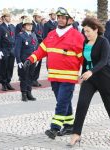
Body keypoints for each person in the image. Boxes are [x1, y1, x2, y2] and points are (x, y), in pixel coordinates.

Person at [23, 7, 84, 139]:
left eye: (63, 17)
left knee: (61, 102)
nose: (60, 20)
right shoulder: (51, 34)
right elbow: (41, 50)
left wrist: (89, 73)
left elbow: (83, 57)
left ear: (70, 20)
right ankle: (69, 126)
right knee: (63, 100)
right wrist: (30, 59)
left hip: (69, 77)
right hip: (54, 76)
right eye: (59, 17)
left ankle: (54, 128)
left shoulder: (77, 36)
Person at [67, 17, 110, 147]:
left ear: (96, 29)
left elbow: (103, 61)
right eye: (84, 31)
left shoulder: (104, 42)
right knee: (82, 104)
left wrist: (91, 71)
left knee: (109, 106)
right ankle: (76, 134)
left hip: (104, 78)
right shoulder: (86, 42)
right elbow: (85, 61)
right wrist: (82, 75)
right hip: (89, 79)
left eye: (88, 31)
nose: (86, 34)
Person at [15, 17, 38, 101]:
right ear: (24, 26)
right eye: (28, 25)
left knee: (31, 77)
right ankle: (23, 94)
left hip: (32, 60)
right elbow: (17, 49)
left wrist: (37, 58)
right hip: (24, 60)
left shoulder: (33, 35)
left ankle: (29, 92)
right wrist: (18, 61)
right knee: (24, 77)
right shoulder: (20, 36)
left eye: (31, 25)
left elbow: (36, 48)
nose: (30, 26)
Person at [0, 8, 15, 91]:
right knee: (3, 67)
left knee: (10, 67)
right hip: (4, 50)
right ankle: (3, 83)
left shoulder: (12, 26)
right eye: (8, 16)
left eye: (10, 16)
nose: (9, 17)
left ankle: (8, 82)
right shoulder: (0, 27)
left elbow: (14, 37)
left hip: (12, 50)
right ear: (3, 17)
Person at [32, 9, 44, 87]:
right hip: (34, 47)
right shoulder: (31, 25)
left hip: (40, 47)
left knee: (39, 65)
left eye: (40, 17)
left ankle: (35, 79)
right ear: (35, 17)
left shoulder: (40, 25)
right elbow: (36, 36)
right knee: (33, 64)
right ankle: (31, 79)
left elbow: (42, 34)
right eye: (39, 17)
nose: (40, 18)